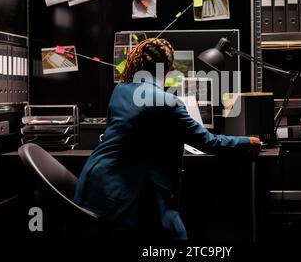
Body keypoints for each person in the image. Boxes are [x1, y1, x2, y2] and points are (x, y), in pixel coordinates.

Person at [74, 38, 261, 240]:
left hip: (93, 183)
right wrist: (246, 141)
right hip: (123, 197)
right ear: (168, 69)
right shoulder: (168, 101)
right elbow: (208, 141)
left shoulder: (120, 90)